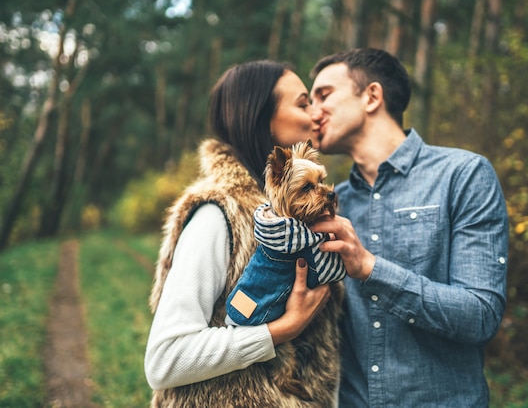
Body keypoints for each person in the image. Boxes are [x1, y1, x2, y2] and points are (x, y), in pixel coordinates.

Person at [308, 47, 509, 407]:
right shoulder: (329, 204)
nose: (312, 112)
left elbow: (481, 315)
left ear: (372, 96)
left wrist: (370, 269)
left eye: (324, 95)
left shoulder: (463, 175)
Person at [144, 60, 342, 407]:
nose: (316, 114)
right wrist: (281, 330)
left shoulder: (296, 221)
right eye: (302, 103)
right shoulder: (218, 212)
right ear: (260, 118)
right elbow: (165, 358)